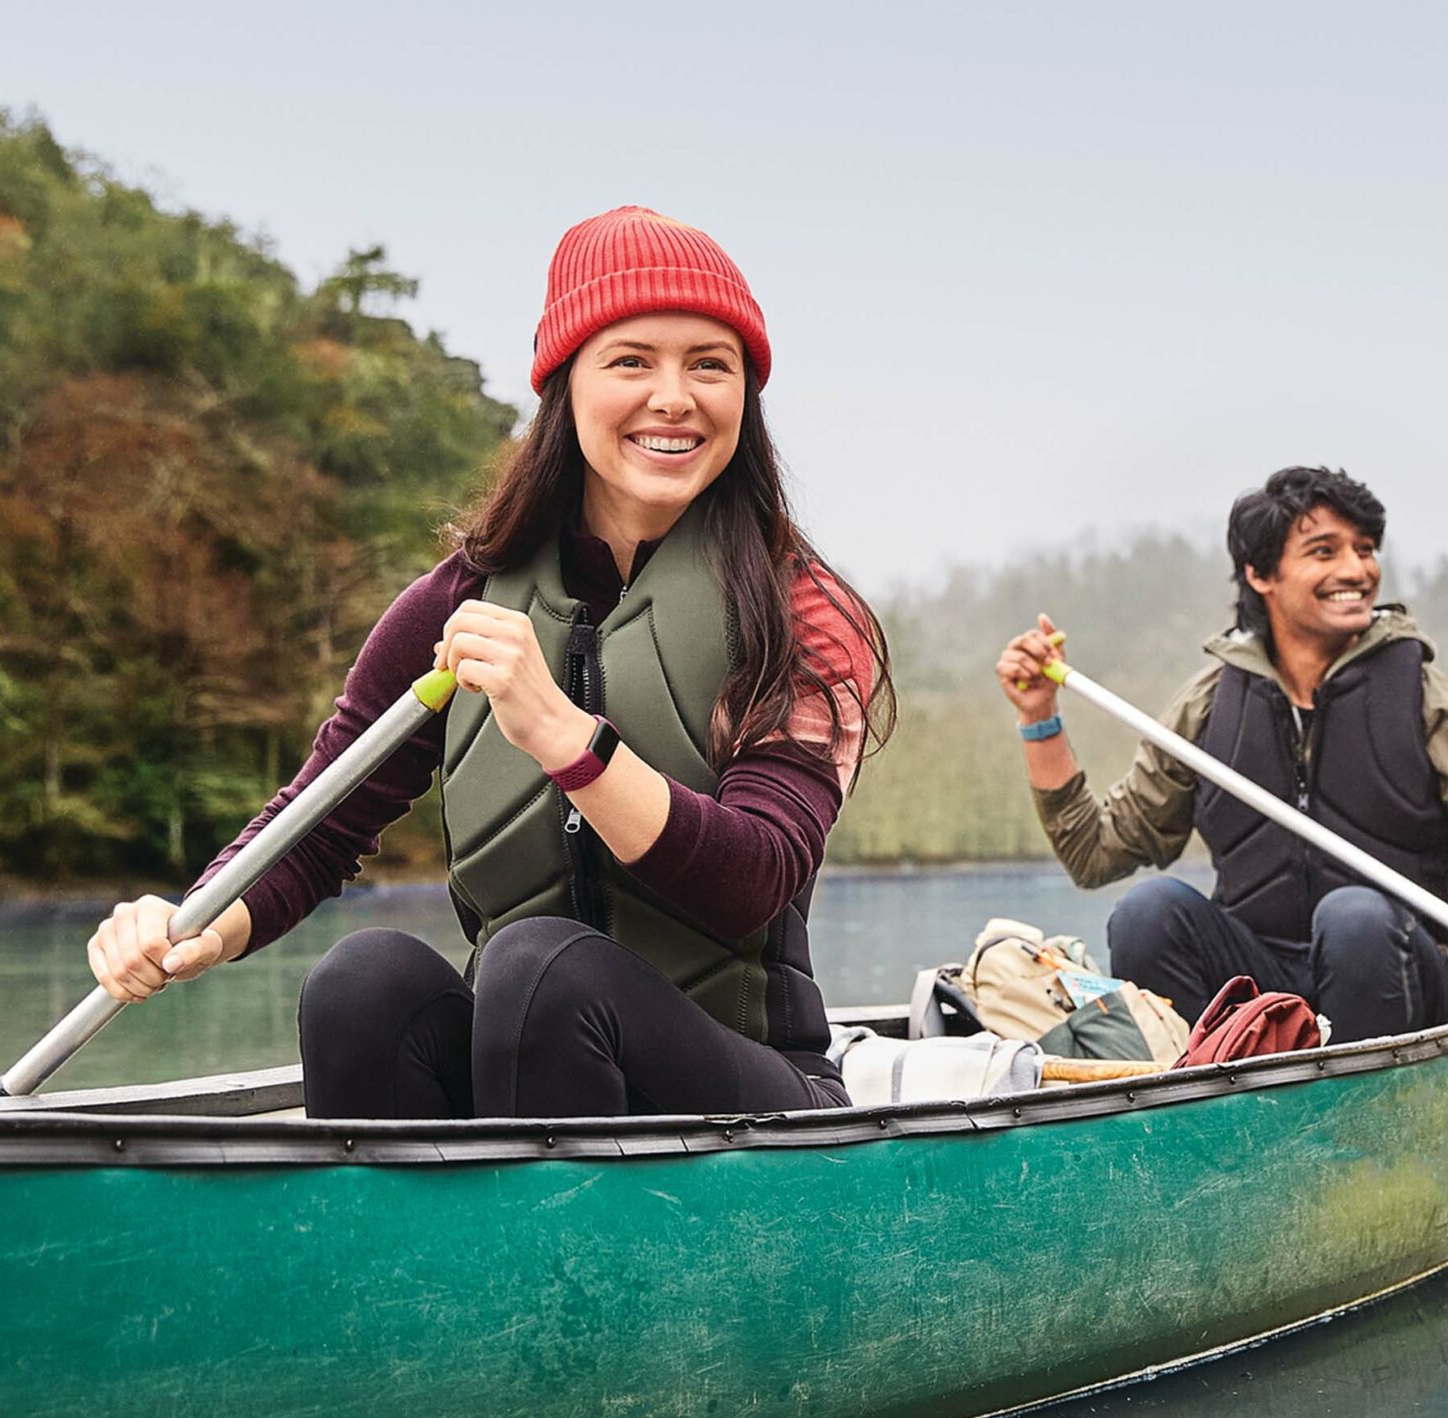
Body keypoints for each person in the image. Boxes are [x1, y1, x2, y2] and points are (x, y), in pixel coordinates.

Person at [86, 206, 893, 1119]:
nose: (675, 396)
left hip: (749, 1087)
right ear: (565, 387)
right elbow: (318, 825)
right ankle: (405, 1261)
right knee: (363, 979)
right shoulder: (462, 600)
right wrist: (186, 925)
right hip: (531, 1064)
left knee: (542, 967)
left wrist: (563, 735)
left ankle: (560, 1256)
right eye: (631, 360)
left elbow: (755, 878)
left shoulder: (805, 610)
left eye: (711, 364)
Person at [994, 467, 1448, 1044]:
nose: (1356, 570)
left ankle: (1364, 1114)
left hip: (1405, 984)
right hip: (1261, 995)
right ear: (1260, 573)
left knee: (1354, 919)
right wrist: (1038, 717)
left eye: (1366, 549)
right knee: (1148, 912)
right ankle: (1211, 1103)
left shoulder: (1432, 704)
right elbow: (1096, 854)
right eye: (1323, 552)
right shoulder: (1208, 706)